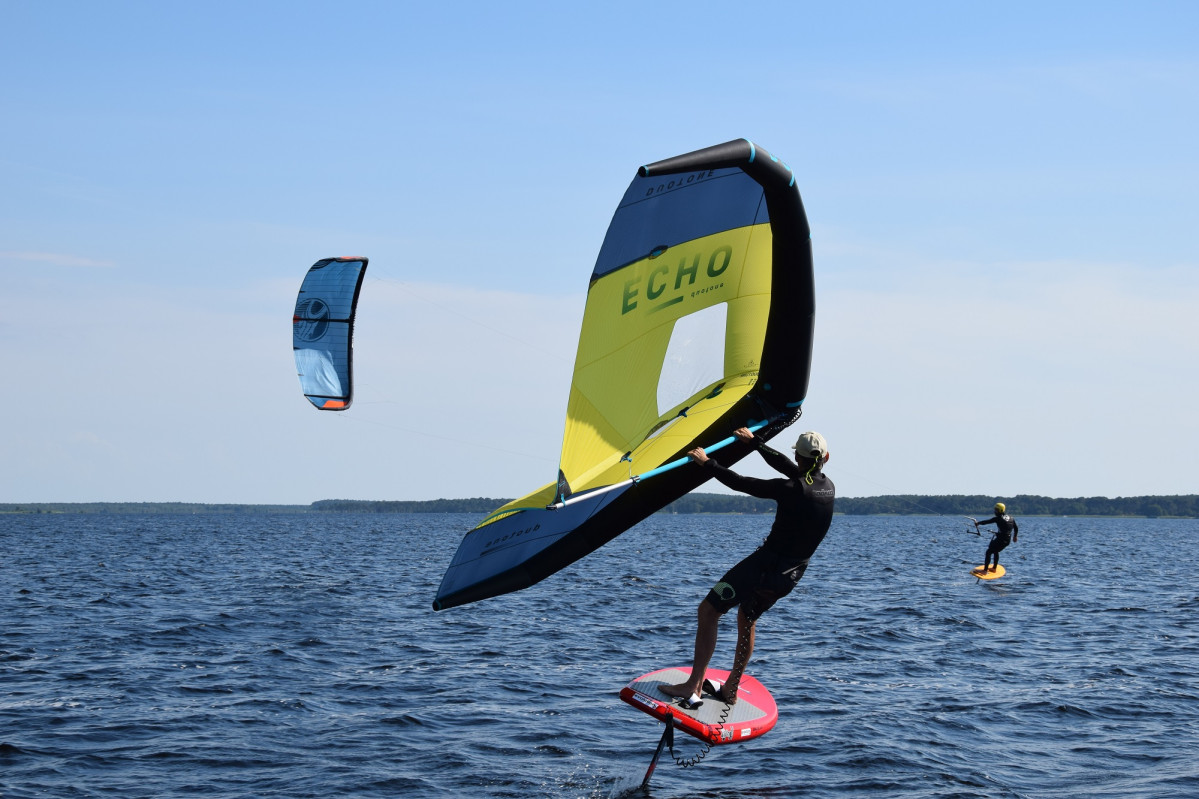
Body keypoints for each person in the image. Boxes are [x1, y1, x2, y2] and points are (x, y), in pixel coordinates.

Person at [659, 426, 835, 707]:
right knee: (747, 618)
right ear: (825, 457)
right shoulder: (827, 487)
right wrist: (756, 443)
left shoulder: (790, 489)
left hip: (764, 567)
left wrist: (707, 463)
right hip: (789, 577)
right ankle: (731, 687)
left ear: (799, 458)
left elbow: (741, 483)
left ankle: (692, 686)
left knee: (708, 610)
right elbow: (789, 467)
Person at [973, 502, 1019, 573]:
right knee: (995, 551)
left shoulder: (998, 518)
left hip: (1001, 540)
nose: (995, 512)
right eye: (995, 510)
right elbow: (1016, 528)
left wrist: (978, 523)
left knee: (988, 552)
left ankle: (985, 571)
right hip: (1007, 540)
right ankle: (994, 568)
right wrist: (1015, 536)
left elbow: (988, 521)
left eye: (996, 510)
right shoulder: (1011, 518)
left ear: (1001, 510)